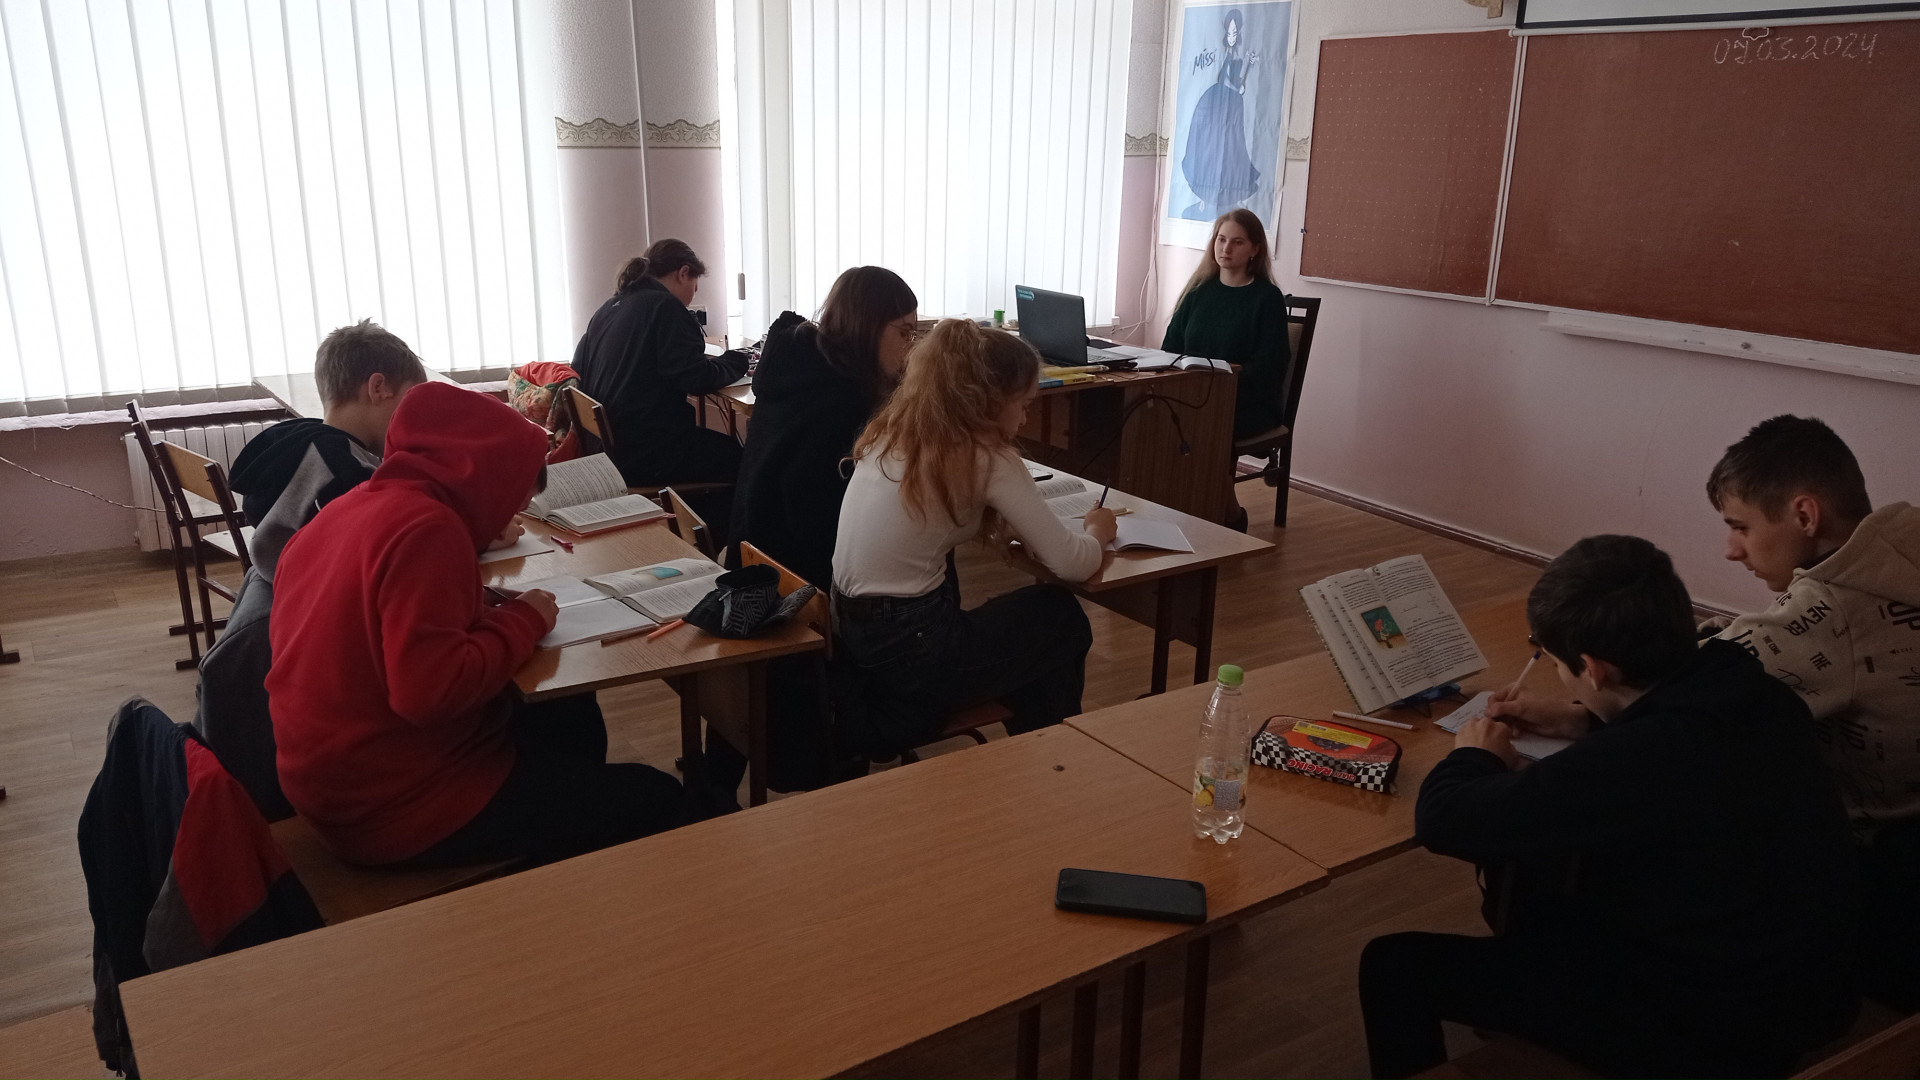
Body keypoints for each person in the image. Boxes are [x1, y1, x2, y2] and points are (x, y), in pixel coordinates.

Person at [1362, 535, 1858, 1079]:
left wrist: (1474, 755)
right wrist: (1584, 718)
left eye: (1557, 664)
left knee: (1393, 965)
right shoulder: (1758, 692)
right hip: (1810, 987)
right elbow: (1668, 752)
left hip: (1716, 1031)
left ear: (1593, 669)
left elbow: (1444, 820)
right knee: (1546, 883)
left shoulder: (1638, 759)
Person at [266, 381, 687, 868]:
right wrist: (524, 619)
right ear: (487, 481)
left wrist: (479, 608)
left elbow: (382, 625)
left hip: (331, 783)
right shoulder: (429, 530)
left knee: (567, 716)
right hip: (394, 808)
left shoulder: (353, 505)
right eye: (513, 502)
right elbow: (430, 693)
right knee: (658, 796)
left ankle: (564, 850)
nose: (509, 517)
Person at [830, 319, 1117, 759]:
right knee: (1061, 617)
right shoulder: (986, 456)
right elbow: (1073, 564)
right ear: (990, 400)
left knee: (1031, 632)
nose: (1025, 418)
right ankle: (1052, 757)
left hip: (856, 639)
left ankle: (1041, 754)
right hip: (913, 655)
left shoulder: (895, 431)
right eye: (1023, 404)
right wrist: (1098, 530)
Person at [697, 268, 918, 795]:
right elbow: (827, 521)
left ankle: (714, 786)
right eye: (904, 331)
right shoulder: (843, 403)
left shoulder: (798, 371)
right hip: (800, 584)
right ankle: (880, 733)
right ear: (867, 327)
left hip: (753, 567)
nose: (911, 347)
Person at [571, 239, 750, 498]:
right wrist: (738, 360)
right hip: (644, 456)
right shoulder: (666, 307)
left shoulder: (609, 308)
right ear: (683, 272)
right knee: (744, 458)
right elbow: (697, 380)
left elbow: (579, 366)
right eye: (695, 287)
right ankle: (720, 523)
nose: (692, 297)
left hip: (605, 450)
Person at [229, 319, 426, 528]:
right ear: (378, 388)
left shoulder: (294, 442)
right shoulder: (346, 473)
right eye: (410, 399)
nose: (416, 416)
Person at [1180, 7, 1261, 220]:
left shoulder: (1236, 56)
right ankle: (1204, 196)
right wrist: (1237, 88)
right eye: (1229, 32)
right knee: (1209, 148)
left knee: (1234, 148)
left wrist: (1242, 81)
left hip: (1232, 106)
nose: (1232, 36)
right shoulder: (1225, 54)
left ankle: (1233, 195)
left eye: (1235, 32)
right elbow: (1223, 79)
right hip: (1217, 103)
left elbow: (1237, 83)